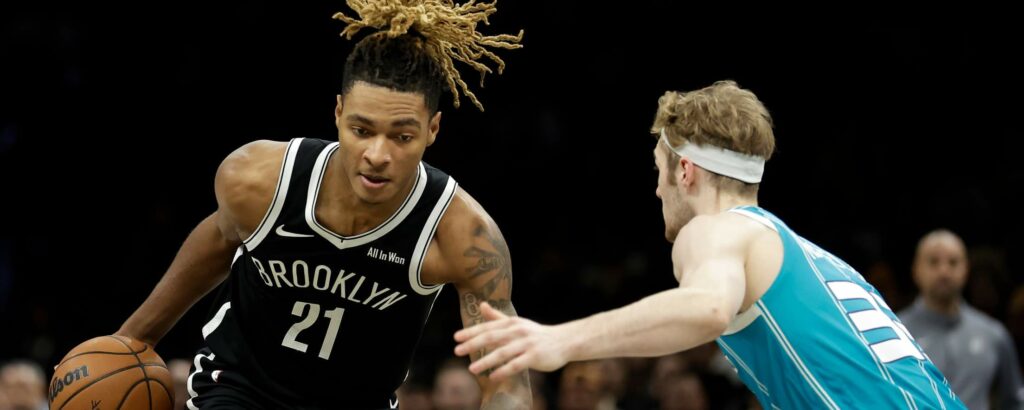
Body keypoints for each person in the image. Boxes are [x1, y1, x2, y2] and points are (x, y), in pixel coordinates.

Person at [109, 1, 531, 408]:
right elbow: (220, 238)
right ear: (338, 112)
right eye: (361, 130)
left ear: (432, 128)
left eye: (402, 136)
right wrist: (131, 340)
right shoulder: (260, 180)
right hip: (238, 391)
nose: (378, 155)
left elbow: (506, 386)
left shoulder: (463, 235)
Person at [453, 80, 966, 409]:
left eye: (658, 172)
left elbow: (708, 308)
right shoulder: (808, 255)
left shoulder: (714, 229)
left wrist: (559, 341)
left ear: (685, 169)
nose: (656, 190)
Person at [898, 229, 1024, 409]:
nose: (944, 271)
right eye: (933, 262)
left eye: (953, 262)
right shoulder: (896, 331)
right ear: (916, 270)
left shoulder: (993, 334)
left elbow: (1015, 401)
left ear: (966, 269)